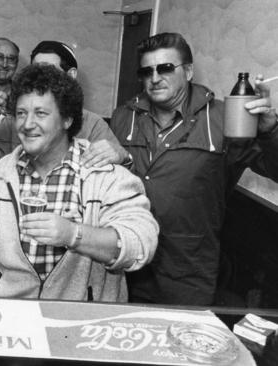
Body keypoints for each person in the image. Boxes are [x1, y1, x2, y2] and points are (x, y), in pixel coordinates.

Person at [0, 64, 158, 300]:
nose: (27, 123)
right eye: (21, 113)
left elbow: (140, 244)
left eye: (41, 113)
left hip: (82, 320)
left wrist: (73, 234)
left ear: (67, 119)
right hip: (13, 318)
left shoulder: (104, 175)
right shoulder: (0, 175)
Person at [109, 32, 278, 305]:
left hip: (187, 271)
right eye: (146, 71)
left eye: (165, 68)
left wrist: (270, 131)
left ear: (187, 71)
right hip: (127, 263)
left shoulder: (224, 119)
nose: (154, 78)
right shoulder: (123, 117)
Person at [0, 40, 128, 182]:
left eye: (50, 71)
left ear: (71, 75)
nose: (41, 79)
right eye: (36, 71)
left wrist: (121, 155)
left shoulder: (93, 125)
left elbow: (120, 177)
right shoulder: (17, 121)